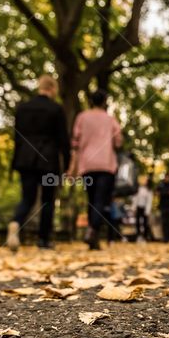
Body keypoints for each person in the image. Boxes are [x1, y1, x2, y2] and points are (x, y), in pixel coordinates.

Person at [7, 74, 70, 251]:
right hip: (48, 160)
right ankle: (43, 240)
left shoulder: (23, 108)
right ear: (53, 89)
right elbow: (63, 140)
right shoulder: (56, 109)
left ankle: (15, 222)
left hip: (25, 159)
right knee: (47, 200)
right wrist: (66, 165)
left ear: (39, 87)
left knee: (27, 198)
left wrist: (14, 162)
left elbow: (17, 138)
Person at [69, 89, 123, 250]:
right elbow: (118, 142)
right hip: (106, 165)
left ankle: (93, 236)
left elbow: (75, 142)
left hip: (88, 165)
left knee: (92, 199)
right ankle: (93, 230)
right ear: (104, 102)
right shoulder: (110, 119)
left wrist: (73, 166)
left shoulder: (82, 117)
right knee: (100, 200)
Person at [132, 176, 153, 242]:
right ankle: (138, 236)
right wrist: (133, 208)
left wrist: (148, 211)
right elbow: (135, 199)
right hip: (138, 207)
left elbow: (149, 201)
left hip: (145, 208)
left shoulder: (149, 190)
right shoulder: (138, 189)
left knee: (145, 223)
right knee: (137, 222)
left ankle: (145, 237)